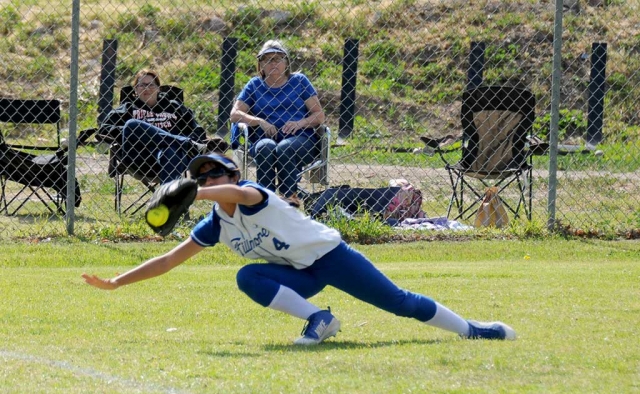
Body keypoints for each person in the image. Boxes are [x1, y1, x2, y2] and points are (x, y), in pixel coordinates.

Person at [82, 153, 517, 346]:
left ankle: (473, 329)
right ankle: (319, 320)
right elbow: (170, 259)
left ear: (231, 175)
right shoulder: (216, 223)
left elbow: (237, 191)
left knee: (400, 303)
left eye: (214, 174)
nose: (209, 180)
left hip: (331, 257)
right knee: (247, 276)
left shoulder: (252, 192)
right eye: (201, 175)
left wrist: (193, 192)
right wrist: (118, 282)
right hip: (301, 276)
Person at [230, 40, 325, 199]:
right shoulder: (254, 85)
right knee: (265, 147)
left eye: (278, 58)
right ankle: (265, 200)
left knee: (284, 148)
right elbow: (235, 114)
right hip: (264, 137)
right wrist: (259, 121)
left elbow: (319, 115)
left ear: (286, 62)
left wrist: (299, 123)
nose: (273, 63)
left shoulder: (299, 82)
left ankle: (288, 200)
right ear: (261, 65)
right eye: (267, 59)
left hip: (300, 138)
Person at [98, 69, 209, 183]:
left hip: (170, 153)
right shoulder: (127, 109)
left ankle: (166, 199)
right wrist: (130, 131)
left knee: (170, 152)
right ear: (135, 89)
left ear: (158, 88)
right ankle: (186, 143)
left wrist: (194, 138)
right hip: (139, 157)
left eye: (151, 85)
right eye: (141, 85)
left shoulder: (174, 107)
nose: (146, 88)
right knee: (132, 124)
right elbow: (103, 130)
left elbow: (197, 130)